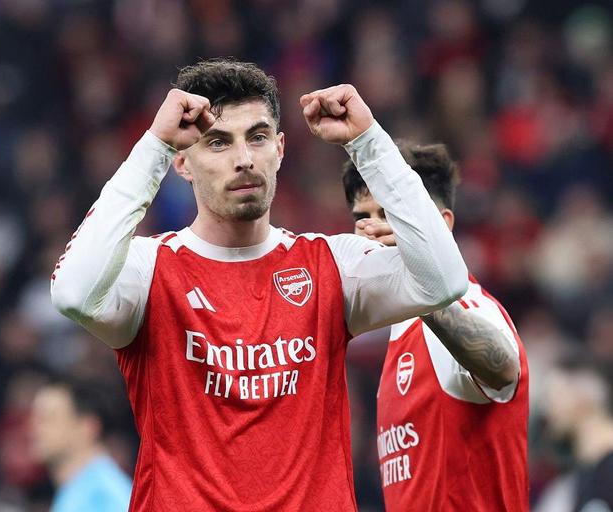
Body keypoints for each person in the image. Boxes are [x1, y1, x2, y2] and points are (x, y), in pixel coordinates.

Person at [50, 58, 468, 510]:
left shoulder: (331, 263)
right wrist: (153, 148)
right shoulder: (149, 270)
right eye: (218, 143)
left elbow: (444, 281)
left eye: (258, 137)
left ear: (280, 148)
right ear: (182, 162)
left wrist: (368, 141)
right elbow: (73, 294)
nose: (244, 159)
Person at [342, 142, 529, 511]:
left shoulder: (469, 306)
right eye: (362, 216)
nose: (373, 228)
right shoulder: (400, 331)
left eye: (389, 213)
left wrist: (422, 281)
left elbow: (505, 367)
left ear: (441, 225)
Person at [31, 377, 132, 512]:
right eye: (35, 419)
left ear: (88, 427)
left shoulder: (105, 498)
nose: (35, 429)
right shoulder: (76, 491)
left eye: (49, 418)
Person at [534, 357, 613, 512]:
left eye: (553, 395)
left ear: (584, 395)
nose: (545, 409)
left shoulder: (606, 469)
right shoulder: (582, 475)